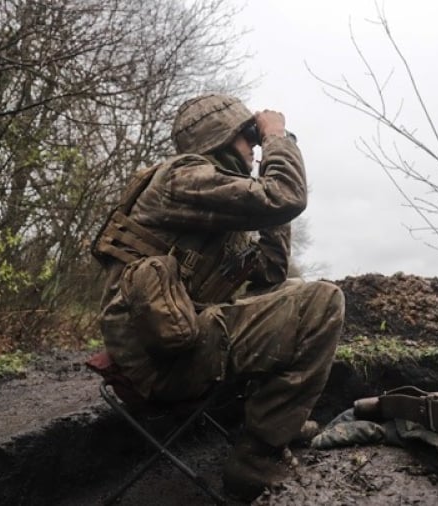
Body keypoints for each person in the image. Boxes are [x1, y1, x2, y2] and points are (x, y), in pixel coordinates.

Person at [92, 93, 345, 500]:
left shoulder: (214, 206)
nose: (256, 143)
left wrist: (266, 189)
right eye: (250, 136)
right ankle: (258, 461)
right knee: (323, 301)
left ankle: (281, 421)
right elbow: (286, 196)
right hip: (161, 357)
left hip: (179, 342)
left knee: (297, 291)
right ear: (223, 139)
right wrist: (280, 138)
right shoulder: (182, 179)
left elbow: (269, 273)